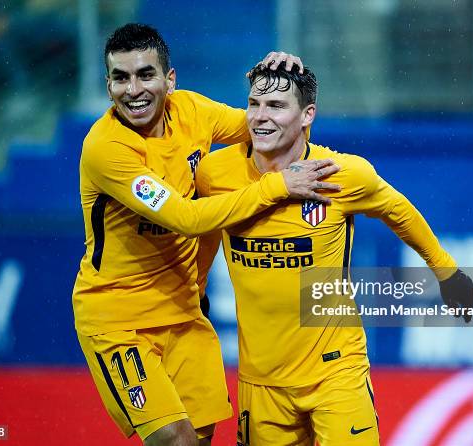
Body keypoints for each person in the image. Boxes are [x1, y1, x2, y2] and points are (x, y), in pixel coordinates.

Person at [72, 24, 340, 446]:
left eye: (145, 74)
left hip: (184, 310)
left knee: (198, 439)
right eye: (120, 77)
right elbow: (186, 217)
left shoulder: (191, 111)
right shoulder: (107, 149)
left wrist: (286, 86)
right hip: (118, 320)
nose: (133, 89)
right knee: (175, 440)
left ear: (170, 80)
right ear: (108, 85)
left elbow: (270, 127)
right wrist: (278, 186)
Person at [195, 62, 473, 445]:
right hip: (261, 382)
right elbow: (205, 229)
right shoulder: (214, 173)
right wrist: (195, 287)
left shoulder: (340, 174)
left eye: (276, 106)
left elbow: (398, 210)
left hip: (335, 371)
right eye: (254, 103)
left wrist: (447, 273)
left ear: (308, 114)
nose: (259, 117)